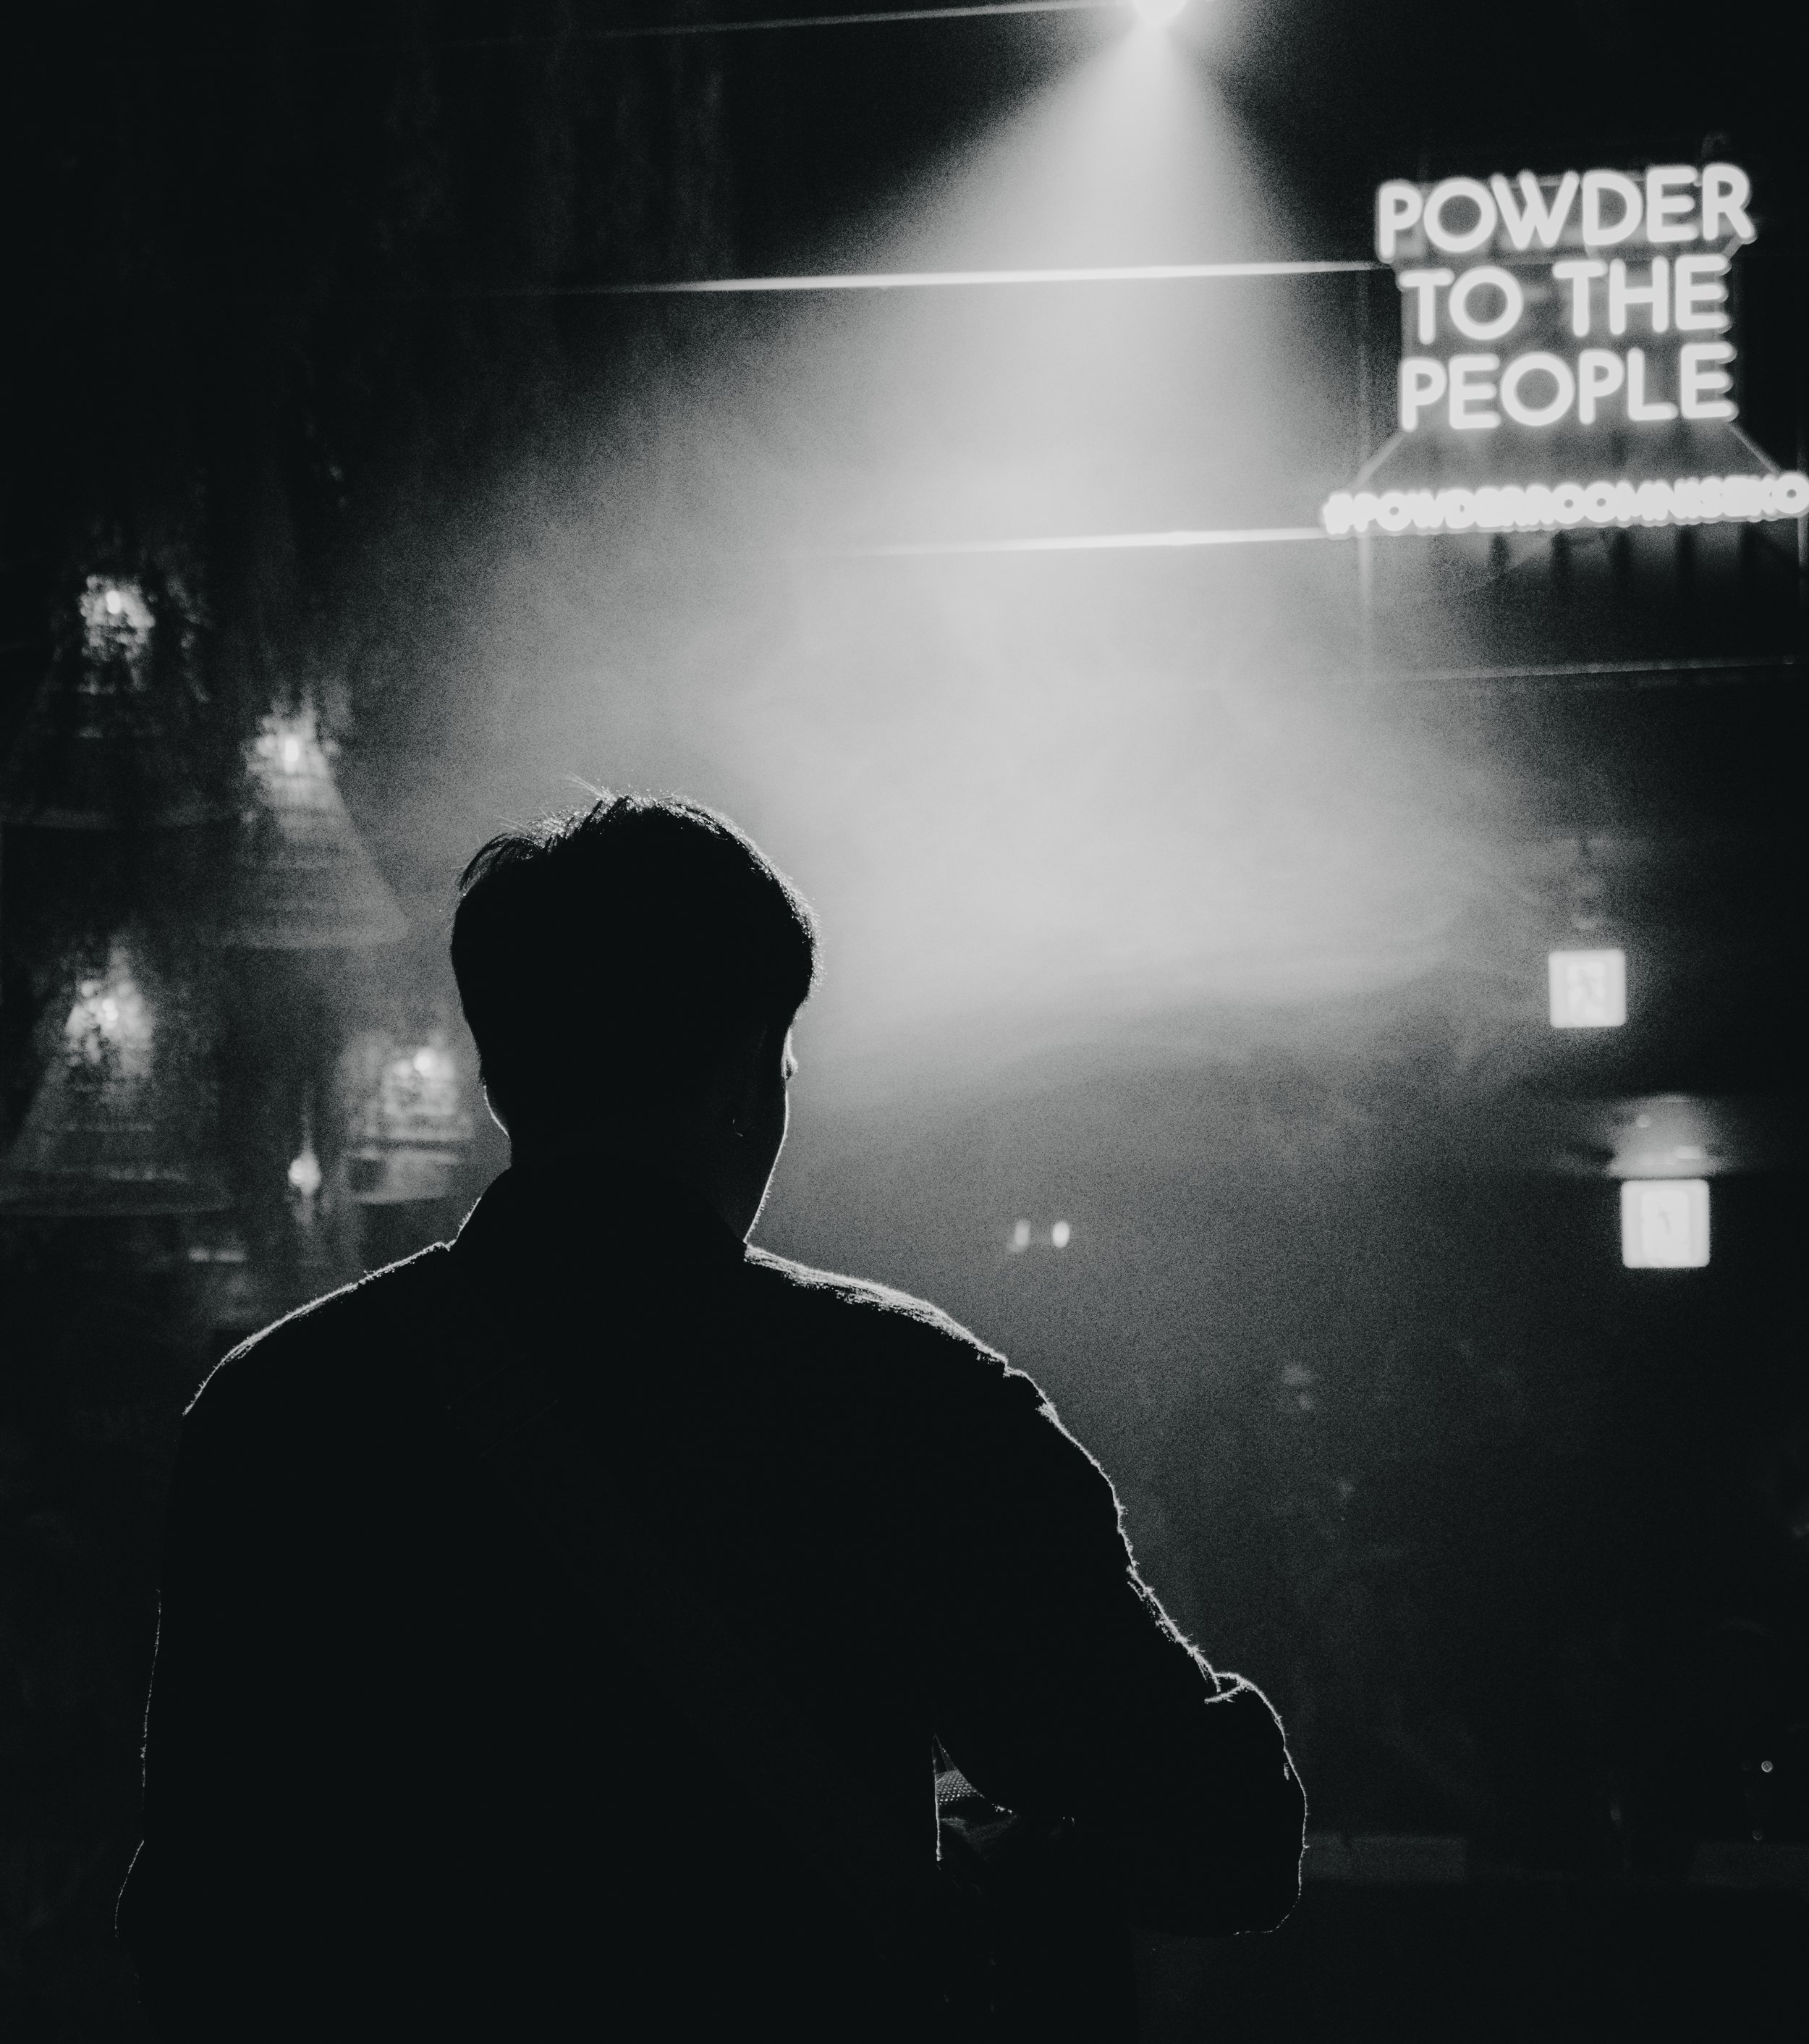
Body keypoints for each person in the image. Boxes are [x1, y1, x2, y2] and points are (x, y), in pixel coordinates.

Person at [119, 793, 1304, 2038]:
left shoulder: (278, 1415)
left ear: (500, 1079)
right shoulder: (905, 1396)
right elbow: (1220, 1840)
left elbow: (198, 1928)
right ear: (747, 1079)